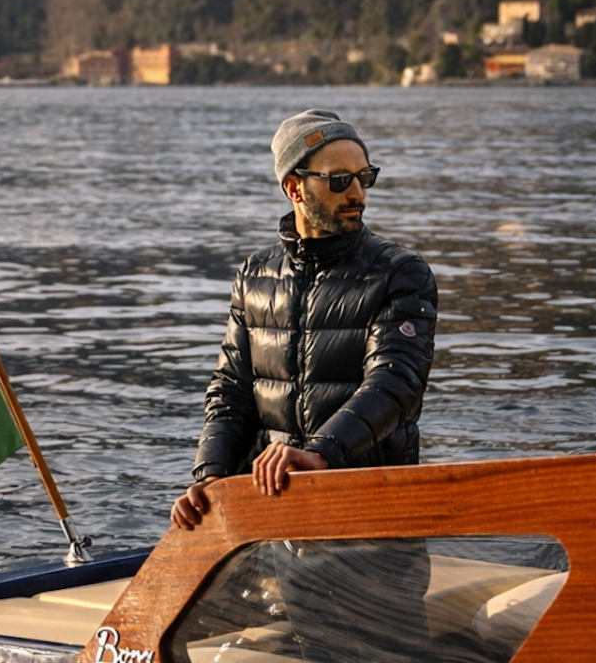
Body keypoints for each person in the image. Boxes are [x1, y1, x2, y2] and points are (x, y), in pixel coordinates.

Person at [171, 108, 438, 529]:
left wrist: (322, 452)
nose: (357, 194)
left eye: (363, 177)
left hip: (368, 512)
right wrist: (212, 477)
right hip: (268, 514)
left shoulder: (400, 273)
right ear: (294, 187)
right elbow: (231, 391)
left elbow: (395, 382)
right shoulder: (254, 275)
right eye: (339, 180)